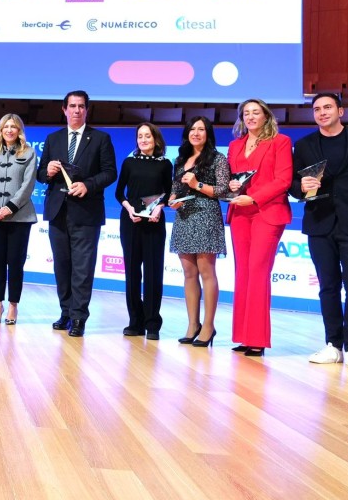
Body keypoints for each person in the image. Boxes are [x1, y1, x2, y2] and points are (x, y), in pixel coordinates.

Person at [289, 93, 348, 371]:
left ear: (341, 110)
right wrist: (300, 187)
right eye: (317, 109)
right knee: (328, 287)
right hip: (319, 223)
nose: (322, 112)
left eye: (328, 107)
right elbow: (291, 184)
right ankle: (333, 345)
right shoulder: (303, 145)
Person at [36, 90, 118, 337]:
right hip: (58, 211)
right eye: (72, 106)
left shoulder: (101, 138)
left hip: (86, 212)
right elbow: (40, 175)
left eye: (81, 106)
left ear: (87, 110)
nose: (76, 110)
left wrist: (88, 185)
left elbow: (110, 172)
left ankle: (79, 317)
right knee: (62, 266)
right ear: (64, 109)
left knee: (83, 267)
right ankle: (66, 312)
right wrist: (48, 171)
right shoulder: (53, 139)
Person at [226, 99, 293, 357]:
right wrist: (234, 186)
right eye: (247, 113)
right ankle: (243, 336)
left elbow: (283, 179)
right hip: (240, 212)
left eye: (256, 112)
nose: (251, 117)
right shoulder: (235, 145)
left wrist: (254, 197)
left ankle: (257, 339)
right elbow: (236, 178)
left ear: (266, 116)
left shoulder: (280, 142)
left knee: (258, 272)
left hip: (267, 211)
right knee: (242, 273)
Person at [168, 116, 230, 347]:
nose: (196, 133)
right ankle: (192, 324)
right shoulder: (180, 159)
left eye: (201, 129)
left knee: (207, 272)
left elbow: (223, 191)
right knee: (188, 274)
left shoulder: (217, 159)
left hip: (206, 215)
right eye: (192, 129)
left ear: (208, 133)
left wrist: (197, 185)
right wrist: (173, 200)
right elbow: (174, 189)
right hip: (183, 217)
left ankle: (208, 326)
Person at [115, 123, 172, 340]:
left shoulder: (165, 164)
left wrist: (159, 208)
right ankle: (135, 322)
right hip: (130, 221)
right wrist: (129, 209)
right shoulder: (129, 162)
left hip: (154, 222)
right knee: (132, 272)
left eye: (147, 136)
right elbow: (119, 193)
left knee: (153, 273)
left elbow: (168, 193)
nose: (143, 140)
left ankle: (152, 323)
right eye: (140, 136)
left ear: (156, 139)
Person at [0, 113, 37, 325]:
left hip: (20, 217)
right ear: (1, 131)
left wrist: (10, 207)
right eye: (6, 127)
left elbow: (28, 184)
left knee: (15, 262)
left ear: (19, 130)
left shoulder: (29, 153)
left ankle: (13, 305)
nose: (10, 130)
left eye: (14, 127)